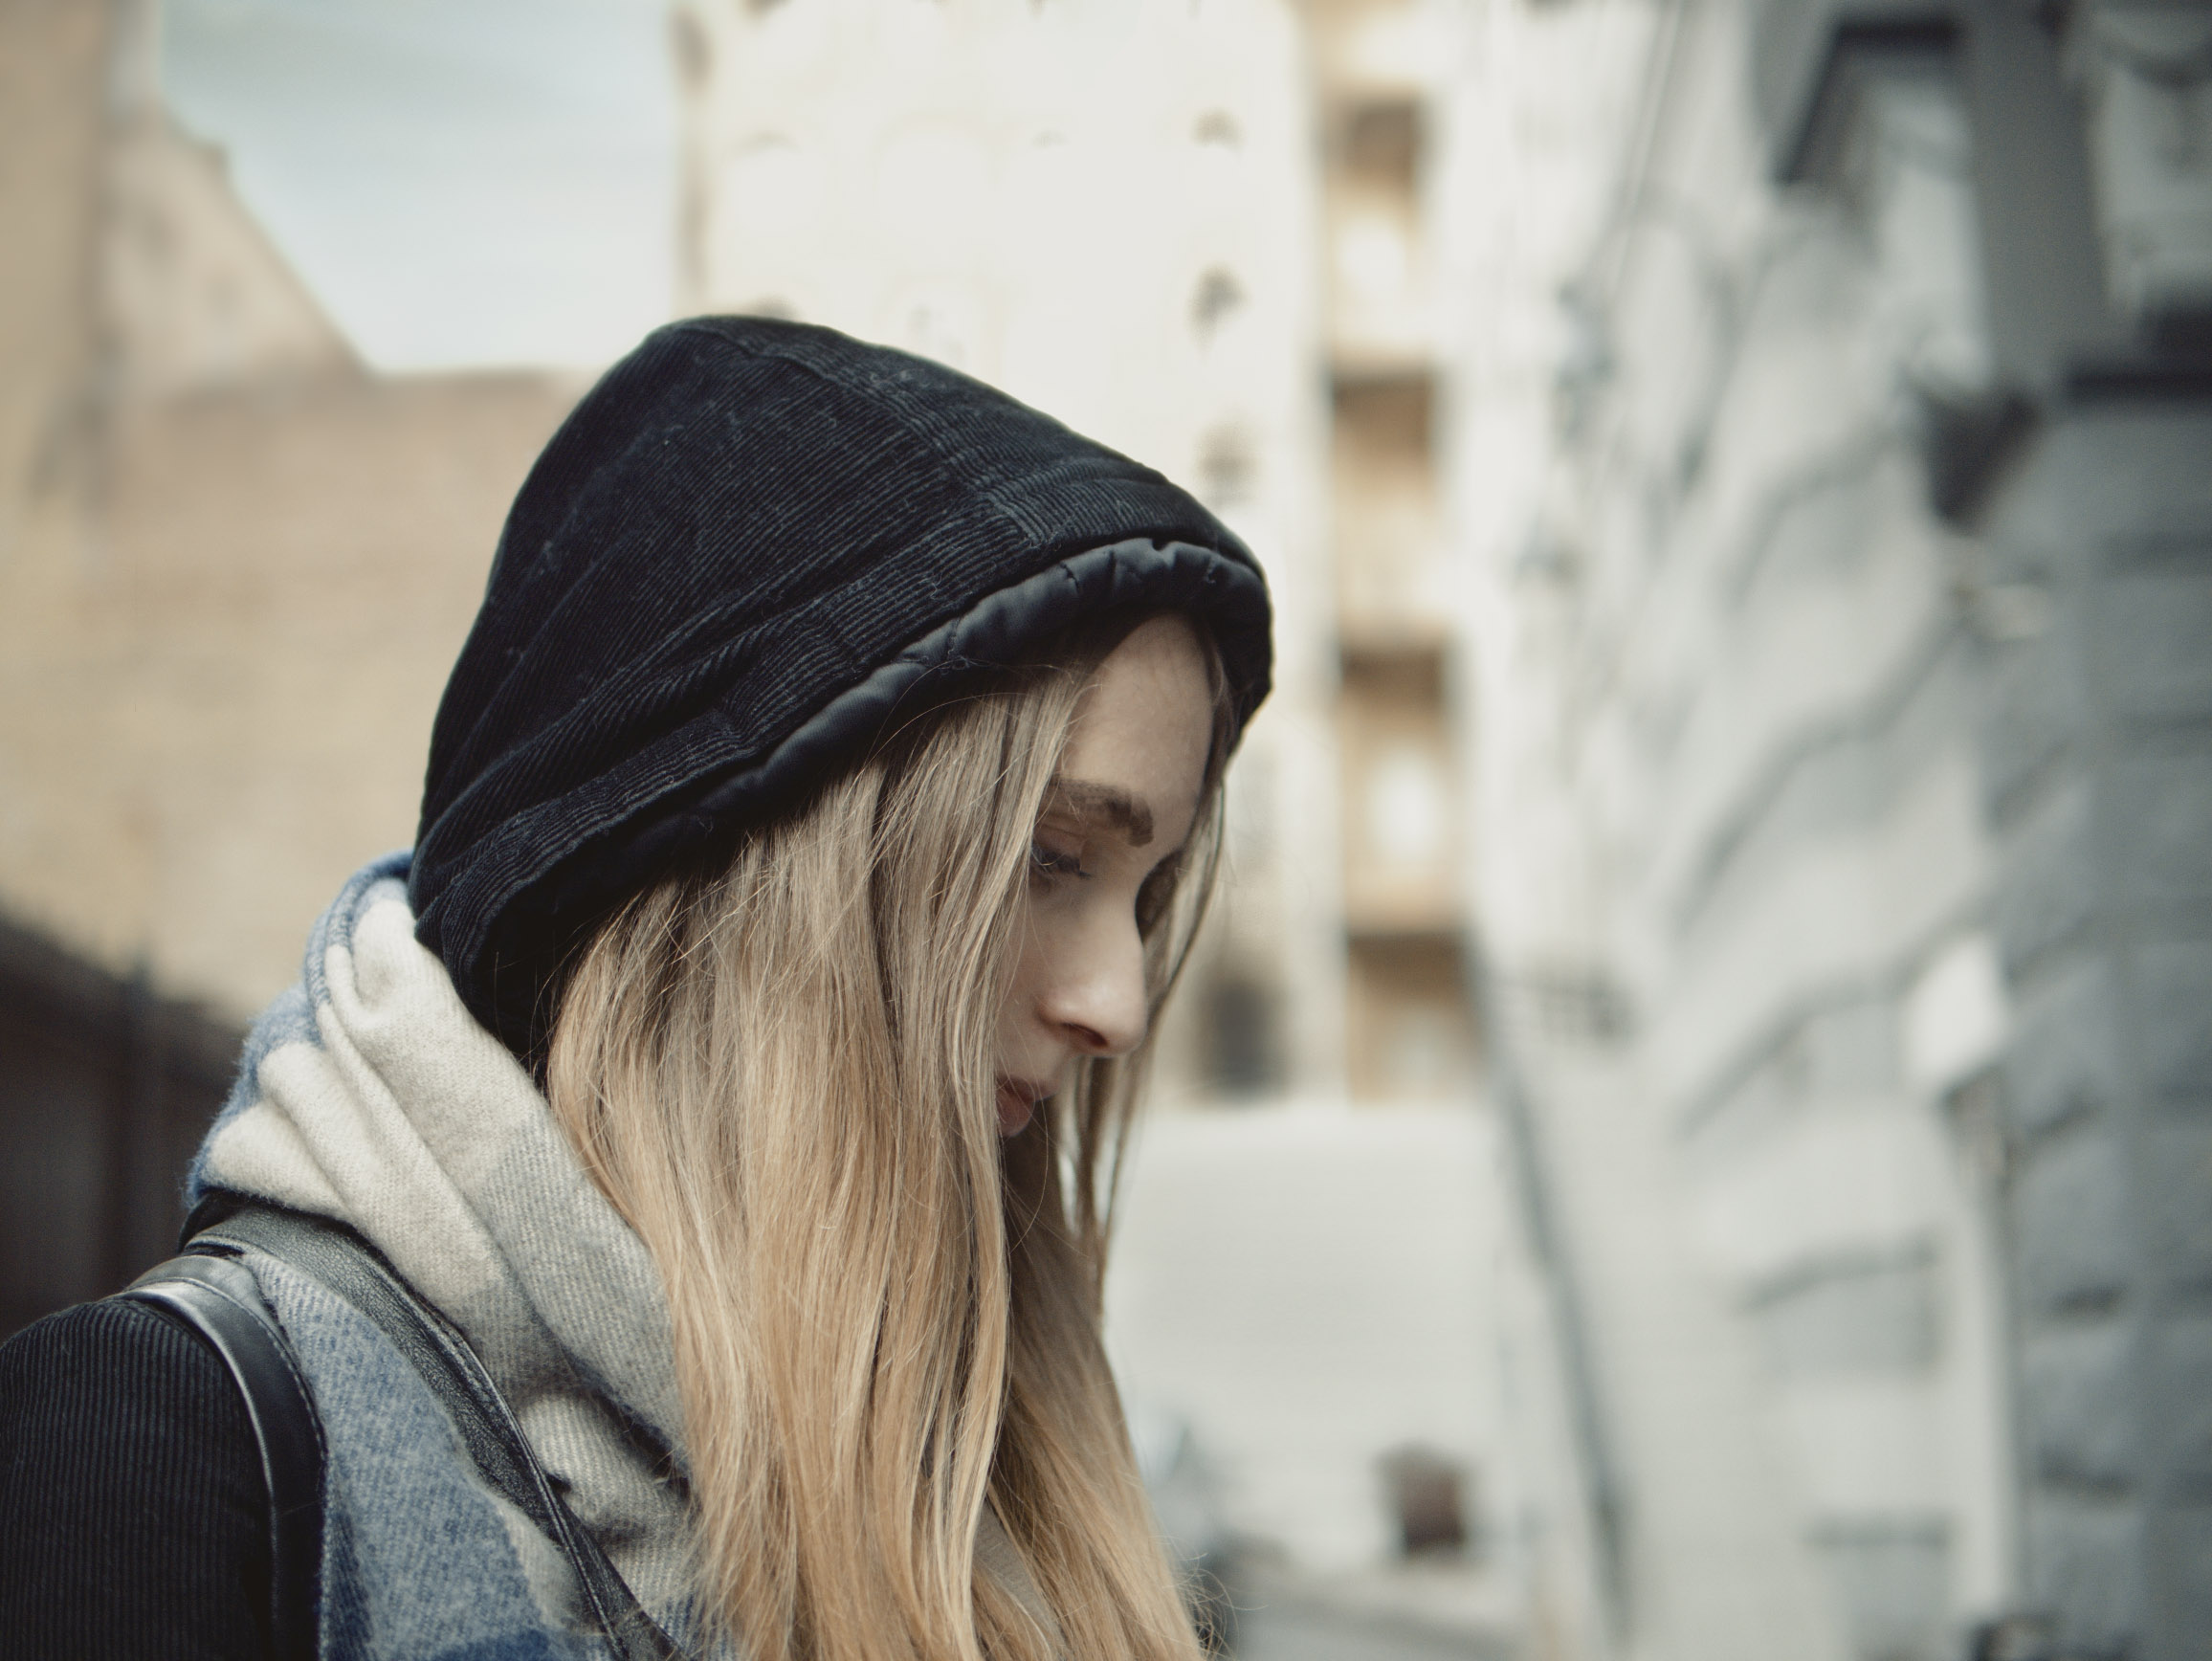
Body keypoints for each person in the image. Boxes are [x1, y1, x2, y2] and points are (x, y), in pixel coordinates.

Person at [0, 317, 1272, 1661]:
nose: (1119, 1005)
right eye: (1050, 855)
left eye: (1144, 896)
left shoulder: (988, 1480)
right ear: (736, 867)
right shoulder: (154, 1451)